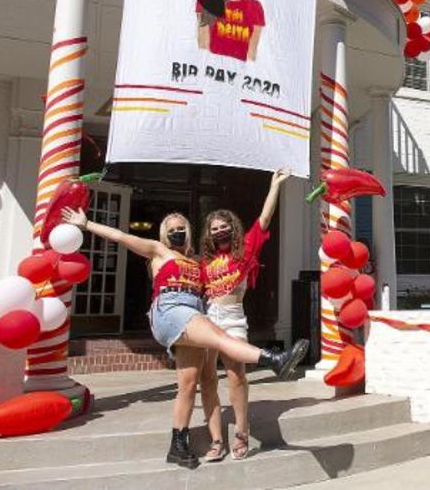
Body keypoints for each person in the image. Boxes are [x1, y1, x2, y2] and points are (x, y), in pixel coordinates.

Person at [61, 208, 309, 469]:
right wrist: (87, 223)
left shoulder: (196, 260)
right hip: (170, 308)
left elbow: (221, 277)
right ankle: (272, 358)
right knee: (220, 338)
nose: (177, 233)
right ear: (164, 235)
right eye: (172, 230)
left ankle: (177, 446)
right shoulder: (158, 250)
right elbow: (121, 236)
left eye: (182, 229)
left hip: (193, 311)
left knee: (190, 383)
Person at [198, 169, 291, 462]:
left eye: (223, 227)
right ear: (208, 234)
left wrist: (274, 186)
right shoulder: (204, 262)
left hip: (234, 317)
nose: (219, 231)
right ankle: (216, 439)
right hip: (209, 317)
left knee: (237, 373)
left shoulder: (246, 249)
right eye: (213, 229)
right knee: (207, 377)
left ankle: (241, 431)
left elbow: (264, 218)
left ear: (233, 229)